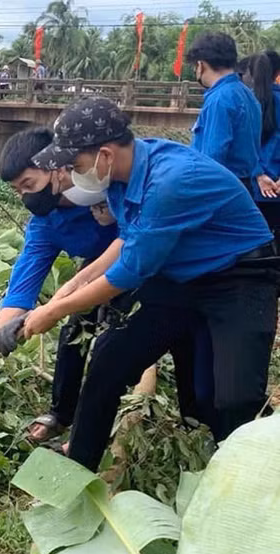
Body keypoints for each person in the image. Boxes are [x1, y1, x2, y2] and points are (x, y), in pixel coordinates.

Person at [16, 96, 277, 472]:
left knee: (233, 398)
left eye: (75, 165)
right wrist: (73, 285)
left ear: (105, 154)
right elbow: (126, 241)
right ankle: (77, 472)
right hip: (179, 277)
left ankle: (244, 476)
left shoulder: (169, 181)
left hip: (240, 277)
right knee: (108, 362)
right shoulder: (121, 176)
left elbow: (128, 273)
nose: (71, 175)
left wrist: (54, 311)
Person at [0, 127, 119, 442]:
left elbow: (135, 242)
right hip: (94, 269)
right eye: (18, 191)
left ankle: (92, 433)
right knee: (74, 333)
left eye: (28, 185)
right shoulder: (45, 225)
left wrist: (59, 303)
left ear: (56, 169)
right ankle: (61, 414)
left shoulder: (101, 191)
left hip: (142, 261)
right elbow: (20, 294)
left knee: (112, 346)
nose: (25, 197)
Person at [186, 32, 261, 190]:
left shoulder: (219, 99)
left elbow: (212, 157)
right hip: (243, 184)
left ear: (201, 65)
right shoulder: (247, 94)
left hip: (220, 188)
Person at [248, 50, 280, 232]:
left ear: (251, 74)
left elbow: (241, 146)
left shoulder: (245, 101)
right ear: (278, 73)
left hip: (250, 189)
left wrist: (258, 175)